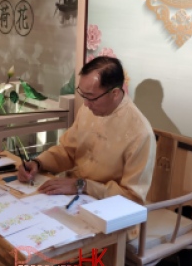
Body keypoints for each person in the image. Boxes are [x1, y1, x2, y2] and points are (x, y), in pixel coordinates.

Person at [18, 56, 156, 207]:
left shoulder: (140, 133)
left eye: (91, 97)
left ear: (115, 93)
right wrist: (38, 163)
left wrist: (83, 186)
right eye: (83, 95)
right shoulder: (89, 109)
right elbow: (67, 151)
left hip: (108, 212)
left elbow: (133, 198)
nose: (85, 103)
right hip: (72, 198)